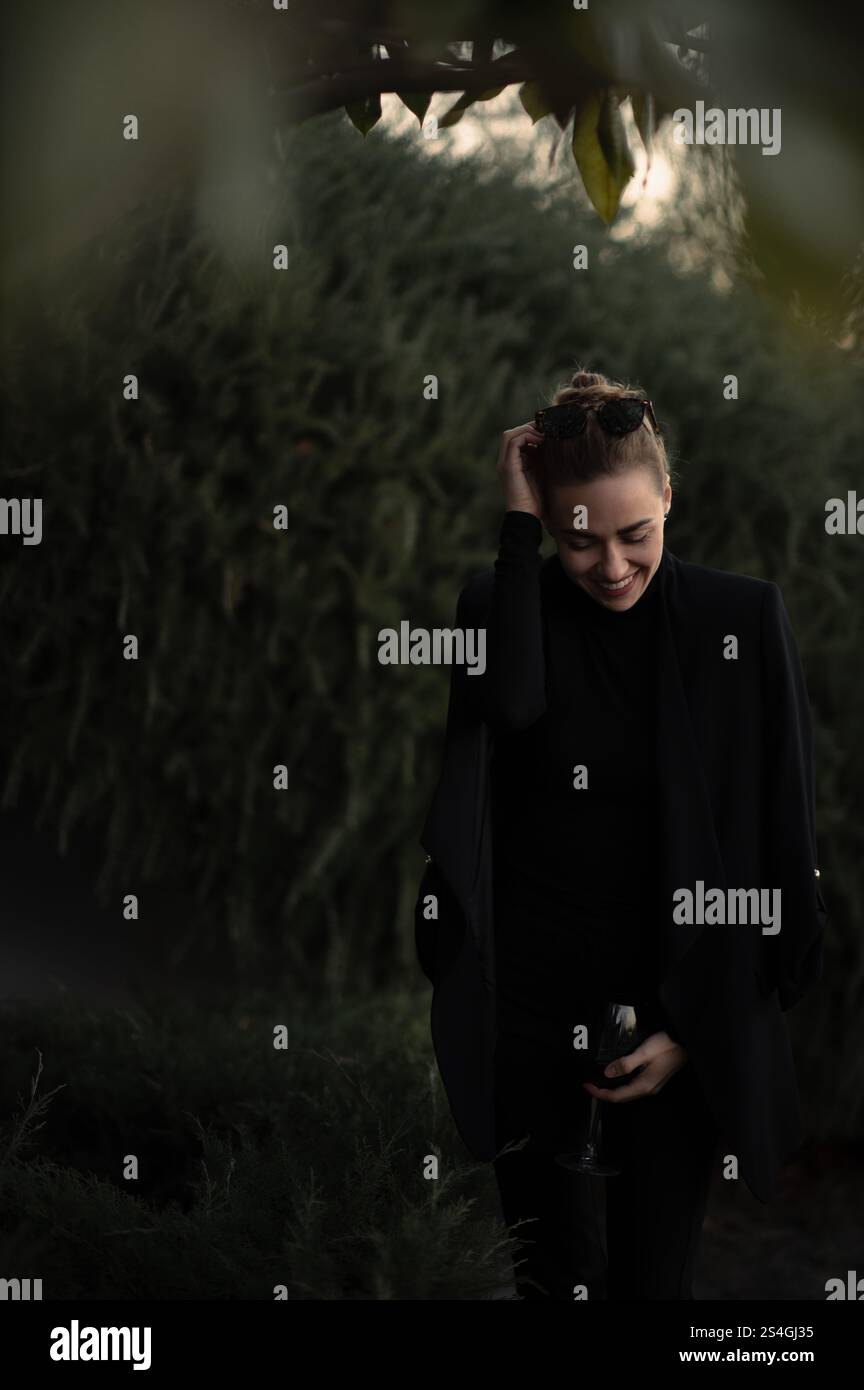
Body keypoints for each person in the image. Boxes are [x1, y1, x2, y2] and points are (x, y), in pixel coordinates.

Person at [415, 368, 826, 1301]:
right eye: (578, 539)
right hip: (528, 1015)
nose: (610, 566)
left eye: (636, 534)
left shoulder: (741, 619)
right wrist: (520, 534)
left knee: (654, 1287)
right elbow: (511, 705)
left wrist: (697, 1028)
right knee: (552, 1283)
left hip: (679, 1013)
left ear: (670, 496)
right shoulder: (502, 603)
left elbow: (780, 840)